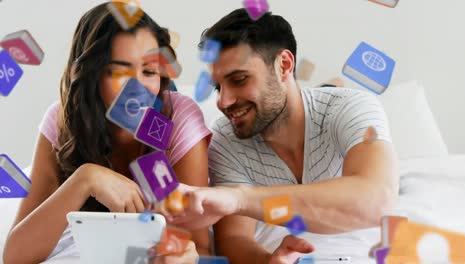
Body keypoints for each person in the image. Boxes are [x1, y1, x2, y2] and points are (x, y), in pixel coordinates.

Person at [157, 8, 399, 264]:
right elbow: (235, 241)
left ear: (284, 65)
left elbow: (377, 199)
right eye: (218, 87)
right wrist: (271, 260)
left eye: (239, 80)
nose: (223, 101)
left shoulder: (347, 109)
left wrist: (238, 198)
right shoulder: (226, 140)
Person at [3, 3, 211, 264]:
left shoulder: (177, 118)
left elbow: (200, 246)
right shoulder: (62, 120)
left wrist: (181, 255)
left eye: (149, 71)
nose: (138, 89)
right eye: (119, 72)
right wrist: (84, 180)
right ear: (92, 75)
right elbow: (14, 257)